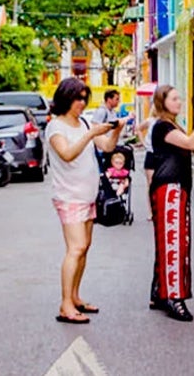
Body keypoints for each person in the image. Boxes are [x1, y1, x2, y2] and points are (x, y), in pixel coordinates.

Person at [46, 77, 122, 325]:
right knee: (75, 248)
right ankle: (65, 304)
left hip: (88, 195)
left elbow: (108, 147)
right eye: (77, 98)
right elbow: (67, 154)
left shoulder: (85, 122)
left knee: (84, 248)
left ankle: (75, 297)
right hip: (69, 196)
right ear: (65, 99)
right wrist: (90, 134)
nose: (81, 103)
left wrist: (116, 128)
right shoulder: (56, 127)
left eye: (83, 98)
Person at [148, 83, 194, 322]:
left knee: (169, 240)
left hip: (174, 188)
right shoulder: (163, 126)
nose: (178, 102)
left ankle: (159, 292)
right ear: (162, 102)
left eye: (179, 98)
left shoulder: (169, 125)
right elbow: (191, 143)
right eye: (174, 98)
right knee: (175, 242)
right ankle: (174, 297)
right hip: (170, 188)